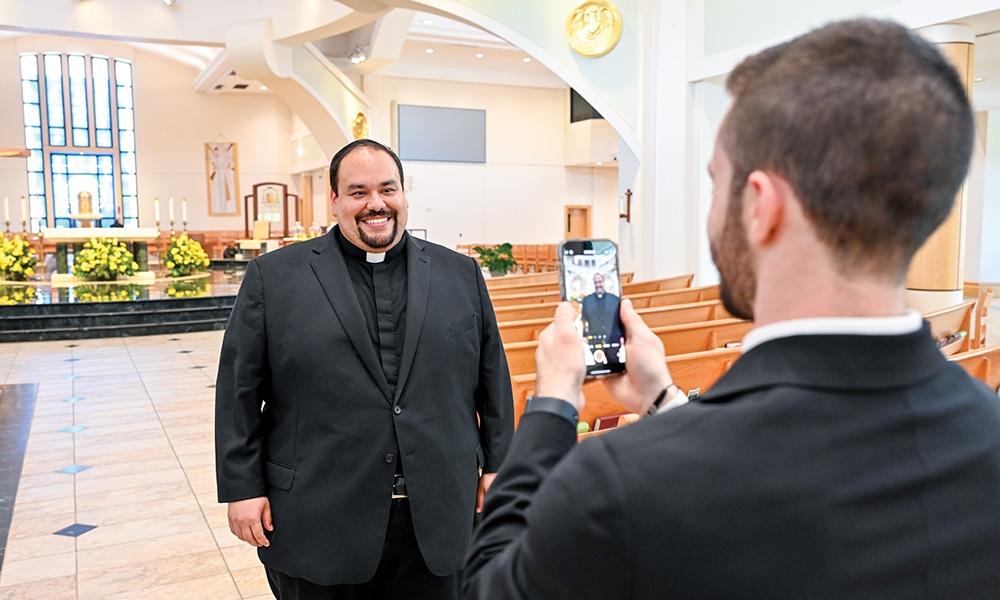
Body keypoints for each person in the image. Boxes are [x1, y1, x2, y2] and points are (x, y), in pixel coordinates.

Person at [464, 19, 1000, 599]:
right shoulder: (986, 435)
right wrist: (663, 401)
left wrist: (550, 407)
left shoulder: (624, 483)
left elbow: (493, 585)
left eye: (716, 183)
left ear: (760, 206)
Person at [215, 138, 514, 600]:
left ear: (403, 194)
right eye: (358, 192)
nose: (376, 204)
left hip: (438, 516)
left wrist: (498, 467)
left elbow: (492, 381)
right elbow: (238, 391)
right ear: (334, 201)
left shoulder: (461, 274)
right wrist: (242, 487)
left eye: (387, 189)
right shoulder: (274, 278)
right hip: (319, 516)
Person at [579, 272, 622, 343]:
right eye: (595, 283)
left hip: (612, 338)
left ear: (604, 282)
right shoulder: (587, 301)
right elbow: (584, 320)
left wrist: (621, 336)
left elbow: (618, 320)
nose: (598, 285)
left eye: (600, 282)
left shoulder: (615, 300)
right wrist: (584, 336)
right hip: (593, 339)